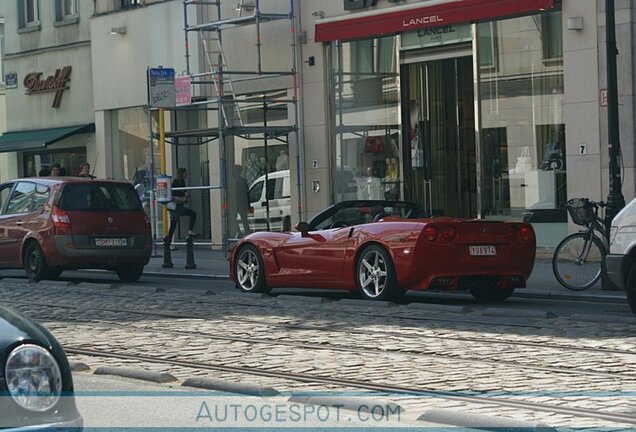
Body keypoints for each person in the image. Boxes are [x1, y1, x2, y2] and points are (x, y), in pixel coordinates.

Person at [164, 167, 198, 250]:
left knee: (174, 224)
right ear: (182, 174)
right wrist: (183, 197)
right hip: (174, 206)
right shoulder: (176, 182)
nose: (186, 174)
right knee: (174, 224)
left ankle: (168, 243)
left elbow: (182, 192)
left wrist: (185, 194)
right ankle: (168, 243)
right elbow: (174, 194)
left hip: (177, 206)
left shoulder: (182, 181)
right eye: (185, 173)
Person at [234, 165, 251, 237]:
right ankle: (247, 232)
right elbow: (247, 193)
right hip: (242, 203)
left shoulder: (232, 181)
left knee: (233, 219)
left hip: (235, 203)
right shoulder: (243, 180)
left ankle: (238, 231)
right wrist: (248, 204)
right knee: (244, 219)